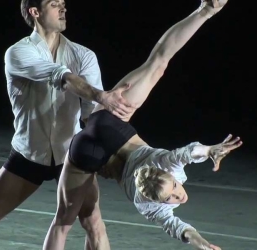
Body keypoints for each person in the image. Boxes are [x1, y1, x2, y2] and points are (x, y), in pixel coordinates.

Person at [43, 1, 239, 250]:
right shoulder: (156, 187)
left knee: (64, 223)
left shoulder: (152, 193)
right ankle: (207, 10)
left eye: (173, 195)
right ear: (170, 175)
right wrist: (209, 150)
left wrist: (200, 242)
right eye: (175, 191)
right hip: (102, 139)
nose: (180, 196)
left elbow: (177, 223)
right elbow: (192, 152)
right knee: (157, 64)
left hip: (100, 135)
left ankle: (206, 11)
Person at [0, 0, 136, 249]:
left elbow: (91, 116)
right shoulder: (18, 53)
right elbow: (61, 76)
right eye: (55, 4)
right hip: (28, 154)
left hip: (71, 157)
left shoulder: (84, 55)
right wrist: (102, 95)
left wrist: (113, 154)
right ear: (35, 12)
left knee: (93, 222)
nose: (63, 9)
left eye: (63, 3)